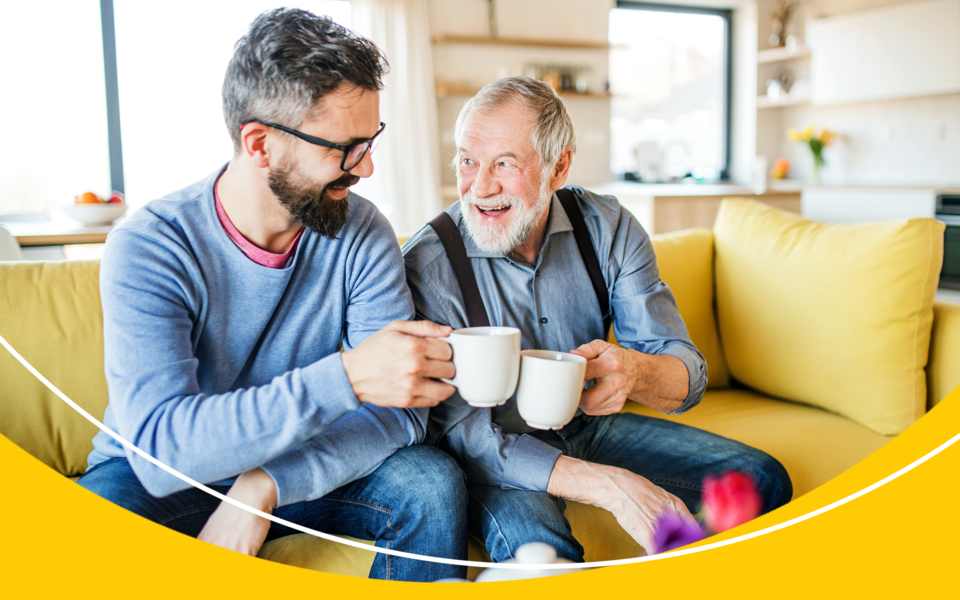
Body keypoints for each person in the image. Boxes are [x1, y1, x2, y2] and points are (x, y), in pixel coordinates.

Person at [78, 9, 467, 582]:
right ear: (259, 144)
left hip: (302, 469)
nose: (368, 166)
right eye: (347, 147)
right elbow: (161, 453)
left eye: (371, 140)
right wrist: (349, 376)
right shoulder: (151, 245)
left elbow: (402, 413)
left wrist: (264, 484)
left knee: (430, 482)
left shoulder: (362, 231)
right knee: (87, 531)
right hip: (167, 477)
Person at [402, 77, 793, 560]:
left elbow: (683, 369)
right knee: (543, 554)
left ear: (558, 166)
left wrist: (636, 371)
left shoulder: (607, 226)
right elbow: (460, 433)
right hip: (496, 450)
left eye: (505, 163)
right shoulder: (428, 263)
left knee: (760, 480)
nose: (480, 187)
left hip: (588, 425)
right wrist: (609, 486)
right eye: (467, 161)